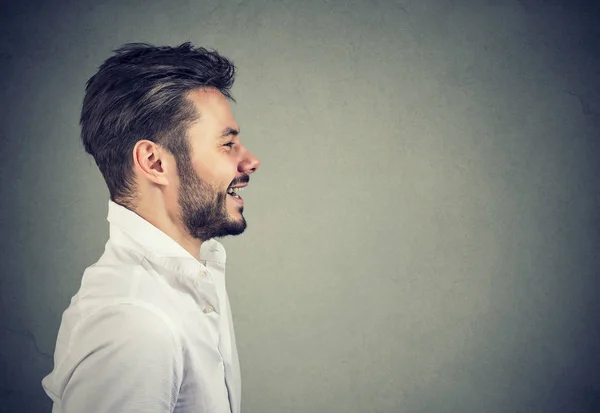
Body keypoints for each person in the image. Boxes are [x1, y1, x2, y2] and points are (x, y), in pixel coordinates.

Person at [41, 42, 261, 413]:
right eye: (228, 144)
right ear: (155, 162)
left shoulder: (192, 281)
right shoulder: (136, 325)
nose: (251, 161)